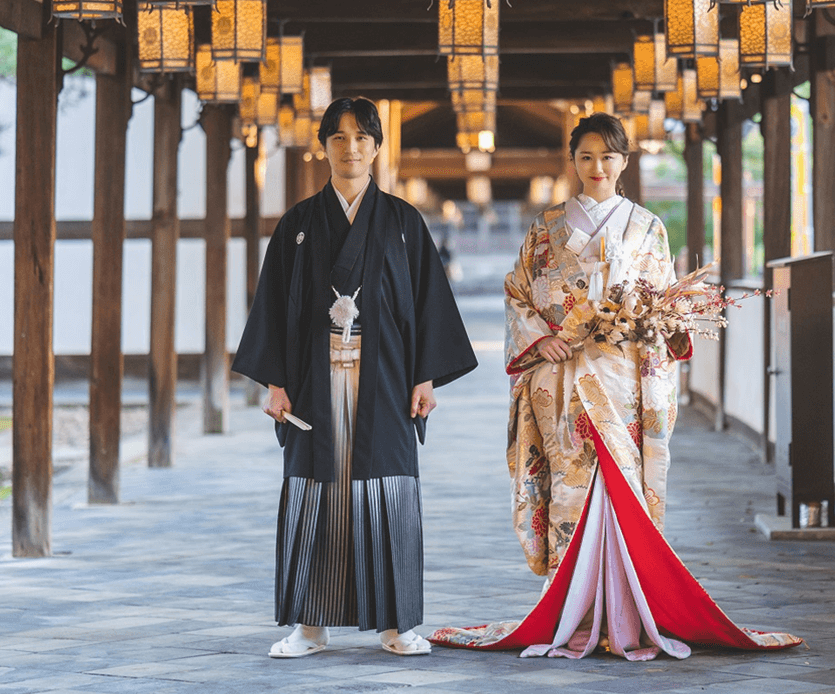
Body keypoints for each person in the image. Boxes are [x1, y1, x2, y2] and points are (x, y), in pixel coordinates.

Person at [429, 113, 801, 660]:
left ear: (624, 162)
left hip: (626, 378)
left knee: (624, 490)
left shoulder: (648, 227)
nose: (597, 167)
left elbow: (666, 302)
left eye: (608, 156)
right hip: (563, 379)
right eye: (585, 157)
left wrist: (658, 323)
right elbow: (518, 292)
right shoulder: (547, 226)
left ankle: (629, 607)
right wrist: (540, 340)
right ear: (573, 162)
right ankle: (572, 609)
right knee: (571, 493)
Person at [233, 97, 478, 659]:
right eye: (339, 138)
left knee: (386, 489)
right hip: (312, 381)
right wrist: (274, 381)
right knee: (315, 493)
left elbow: (426, 305)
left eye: (362, 138)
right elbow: (272, 306)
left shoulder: (402, 222)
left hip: (386, 379)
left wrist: (425, 379)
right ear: (324, 147)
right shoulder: (297, 224)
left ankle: (396, 624)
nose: (351, 149)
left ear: (376, 147)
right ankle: (310, 625)